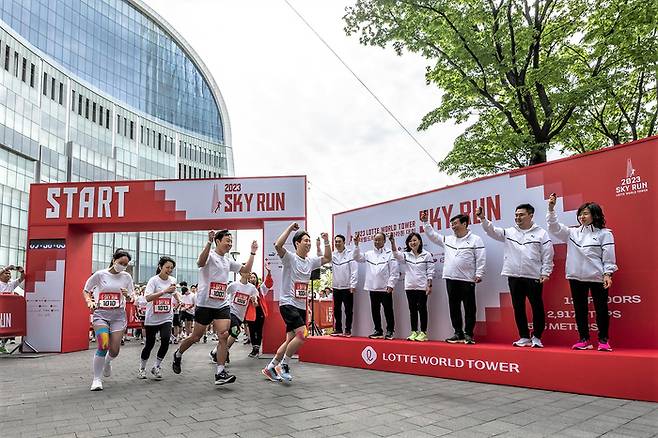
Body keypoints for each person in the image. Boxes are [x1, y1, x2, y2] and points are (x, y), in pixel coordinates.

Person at [171, 230, 256, 386]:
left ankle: (220, 372)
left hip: (222, 304)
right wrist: (208, 242)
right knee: (195, 337)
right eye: (227, 240)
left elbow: (245, 270)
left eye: (231, 241)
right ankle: (178, 353)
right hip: (204, 304)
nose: (230, 244)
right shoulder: (210, 255)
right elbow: (200, 263)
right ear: (218, 241)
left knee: (223, 335)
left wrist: (252, 253)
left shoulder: (227, 261)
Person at [261, 223, 331, 383]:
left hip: (300, 307)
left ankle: (271, 367)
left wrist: (326, 241)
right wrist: (290, 228)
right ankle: (284, 365)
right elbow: (278, 245)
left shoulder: (311, 261)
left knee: (289, 341)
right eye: (305, 240)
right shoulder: (290, 258)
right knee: (303, 334)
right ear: (297, 243)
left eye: (309, 241)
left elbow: (327, 258)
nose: (308, 243)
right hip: (288, 303)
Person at [547, 194, 618, 351]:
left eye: (586, 213)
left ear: (595, 214)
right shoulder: (572, 233)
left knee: (601, 310)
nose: (582, 216)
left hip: (597, 278)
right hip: (576, 278)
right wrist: (551, 209)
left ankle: (603, 340)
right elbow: (554, 227)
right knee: (580, 310)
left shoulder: (605, 234)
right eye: (580, 214)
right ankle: (584, 339)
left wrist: (608, 273)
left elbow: (609, 256)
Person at [477, 204, 554, 348]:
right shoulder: (509, 232)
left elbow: (548, 255)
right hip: (514, 276)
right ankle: (524, 336)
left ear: (531, 215)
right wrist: (483, 218)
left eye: (521, 214)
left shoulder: (541, 233)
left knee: (537, 307)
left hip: (534, 276)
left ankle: (537, 337)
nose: (518, 217)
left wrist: (545, 272)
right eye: (516, 214)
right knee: (518, 308)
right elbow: (492, 231)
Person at [421, 211, 486, 344]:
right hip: (450, 279)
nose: (453, 226)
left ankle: (469, 334)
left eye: (455, 223)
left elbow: (481, 258)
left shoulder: (475, 239)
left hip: (467, 279)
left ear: (464, 223)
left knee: (469, 308)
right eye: (451, 224)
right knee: (454, 307)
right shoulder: (448, 239)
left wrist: (479, 273)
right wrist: (426, 222)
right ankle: (458, 333)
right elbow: (433, 236)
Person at [83, 249, 135, 391]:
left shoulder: (126, 277)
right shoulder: (100, 275)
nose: (123, 266)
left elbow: (132, 297)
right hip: (101, 314)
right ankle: (97, 379)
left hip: (118, 316)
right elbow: (86, 290)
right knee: (103, 344)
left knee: (115, 350)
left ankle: (107, 362)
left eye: (125, 264)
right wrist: (89, 301)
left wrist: (128, 295)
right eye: (121, 263)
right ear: (114, 260)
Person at [137, 256, 182, 380]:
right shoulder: (153, 281)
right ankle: (142, 368)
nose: (169, 270)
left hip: (166, 316)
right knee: (149, 344)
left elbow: (173, 292)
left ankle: (156, 366)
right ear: (160, 267)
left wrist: (179, 299)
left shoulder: (173, 279)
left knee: (166, 340)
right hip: (152, 317)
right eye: (167, 267)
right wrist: (164, 291)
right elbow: (147, 298)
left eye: (171, 268)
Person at [390, 232, 435, 342]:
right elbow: (396, 254)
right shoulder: (406, 255)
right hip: (409, 287)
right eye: (410, 241)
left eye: (414, 240)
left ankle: (423, 333)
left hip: (422, 287)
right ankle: (414, 332)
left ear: (419, 241)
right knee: (412, 310)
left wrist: (429, 285)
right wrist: (392, 242)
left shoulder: (427, 255)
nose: (412, 243)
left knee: (422, 309)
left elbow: (430, 271)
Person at [352, 232, 399, 339]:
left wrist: (391, 284)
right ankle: (378, 330)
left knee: (388, 310)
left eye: (379, 240)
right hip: (372, 287)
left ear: (384, 241)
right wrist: (356, 245)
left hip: (385, 288)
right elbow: (356, 257)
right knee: (375, 310)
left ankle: (390, 331)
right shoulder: (369, 254)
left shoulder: (390, 253)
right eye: (375, 240)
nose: (377, 242)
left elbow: (394, 271)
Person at [209, 271, 260, 365]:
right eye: (247, 271)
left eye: (250, 271)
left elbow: (255, 298)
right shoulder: (233, 285)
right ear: (241, 273)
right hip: (231, 311)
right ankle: (222, 353)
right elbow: (223, 294)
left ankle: (215, 352)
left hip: (240, 315)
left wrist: (255, 302)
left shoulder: (251, 287)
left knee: (228, 334)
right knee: (235, 331)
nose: (249, 273)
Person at [329, 235, 358, 337]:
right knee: (337, 310)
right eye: (335, 242)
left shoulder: (350, 254)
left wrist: (353, 284)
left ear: (344, 242)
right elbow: (322, 256)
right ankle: (338, 329)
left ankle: (348, 330)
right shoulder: (333, 255)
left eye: (339, 242)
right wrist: (321, 245)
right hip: (336, 287)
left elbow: (354, 271)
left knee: (348, 310)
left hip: (347, 287)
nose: (337, 244)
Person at [245, 268, 273, 357]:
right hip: (250, 313)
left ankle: (256, 348)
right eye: (251, 277)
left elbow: (268, 284)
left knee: (259, 330)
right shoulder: (245, 289)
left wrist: (269, 273)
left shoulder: (261, 288)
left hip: (260, 312)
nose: (252, 279)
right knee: (252, 331)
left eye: (254, 277)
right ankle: (254, 348)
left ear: (256, 279)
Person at [0, 265, 25, 352]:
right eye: (6, 273)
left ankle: (2, 345)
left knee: (8, 330)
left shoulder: (11, 284)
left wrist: (21, 272)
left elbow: (22, 279)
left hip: (8, 312)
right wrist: (6, 268)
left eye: (9, 274)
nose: (8, 275)